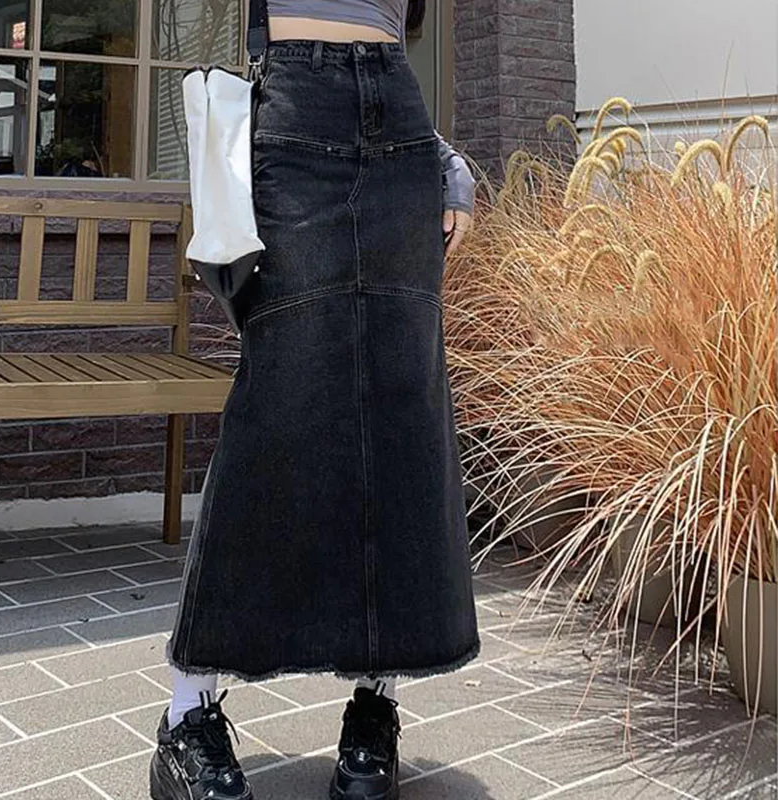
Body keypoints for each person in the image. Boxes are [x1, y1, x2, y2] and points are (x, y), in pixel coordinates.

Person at [149, 3, 479, 799]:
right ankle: (187, 713)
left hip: (399, 124)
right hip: (294, 119)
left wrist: (445, 161)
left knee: (401, 411)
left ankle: (375, 702)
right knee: (278, 408)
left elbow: (387, 33)